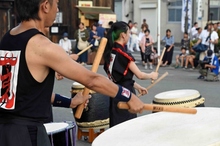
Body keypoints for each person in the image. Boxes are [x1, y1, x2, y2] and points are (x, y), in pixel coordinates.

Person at [0, 1, 145, 146]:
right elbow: (91, 80)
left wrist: (70, 102)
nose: (57, 9)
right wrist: (127, 95)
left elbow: (22, 94)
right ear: (45, 6)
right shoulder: (43, 46)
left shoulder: (8, 38)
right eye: (56, 3)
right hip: (27, 136)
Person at [103, 21, 158, 127]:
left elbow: (119, 78)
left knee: (116, 126)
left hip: (115, 94)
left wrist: (137, 86)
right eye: (128, 33)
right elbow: (140, 75)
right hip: (126, 96)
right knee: (126, 126)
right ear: (123, 35)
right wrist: (152, 75)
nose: (129, 36)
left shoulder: (110, 53)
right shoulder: (123, 55)